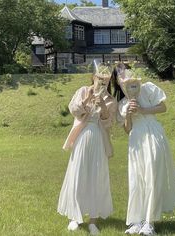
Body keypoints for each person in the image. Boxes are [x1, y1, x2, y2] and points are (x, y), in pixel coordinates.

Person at [112, 63, 175, 235]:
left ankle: (150, 223)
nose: (124, 76)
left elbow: (163, 107)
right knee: (137, 179)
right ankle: (137, 220)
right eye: (120, 76)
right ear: (118, 82)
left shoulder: (147, 89)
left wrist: (142, 109)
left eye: (126, 72)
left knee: (153, 175)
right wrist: (128, 115)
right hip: (136, 139)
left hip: (153, 133)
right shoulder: (122, 103)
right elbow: (127, 129)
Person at [57, 64, 117, 235]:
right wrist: (87, 98)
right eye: (100, 79)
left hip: (98, 139)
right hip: (82, 138)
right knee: (78, 174)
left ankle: (93, 221)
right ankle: (74, 218)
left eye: (106, 81)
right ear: (94, 77)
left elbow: (108, 123)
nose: (103, 83)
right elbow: (74, 111)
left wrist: (103, 107)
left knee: (96, 177)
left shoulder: (110, 100)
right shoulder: (83, 90)